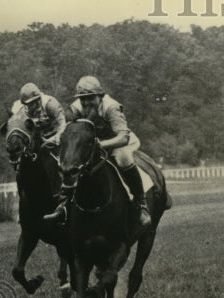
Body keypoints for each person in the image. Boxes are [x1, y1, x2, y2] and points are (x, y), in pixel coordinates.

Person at [43, 75, 152, 230]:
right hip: (93, 145)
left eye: (90, 98)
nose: (86, 103)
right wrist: (51, 140)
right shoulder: (76, 108)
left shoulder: (111, 107)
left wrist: (102, 144)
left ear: (100, 96)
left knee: (123, 159)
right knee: (71, 164)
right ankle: (62, 207)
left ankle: (142, 205)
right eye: (83, 99)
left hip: (116, 142)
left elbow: (123, 137)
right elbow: (66, 130)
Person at [10, 82, 68, 149]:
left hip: (54, 134)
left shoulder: (50, 104)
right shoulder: (17, 109)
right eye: (28, 104)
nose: (38, 103)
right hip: (35, 138)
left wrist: (54, 139)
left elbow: (63, 125)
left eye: (38, 99)